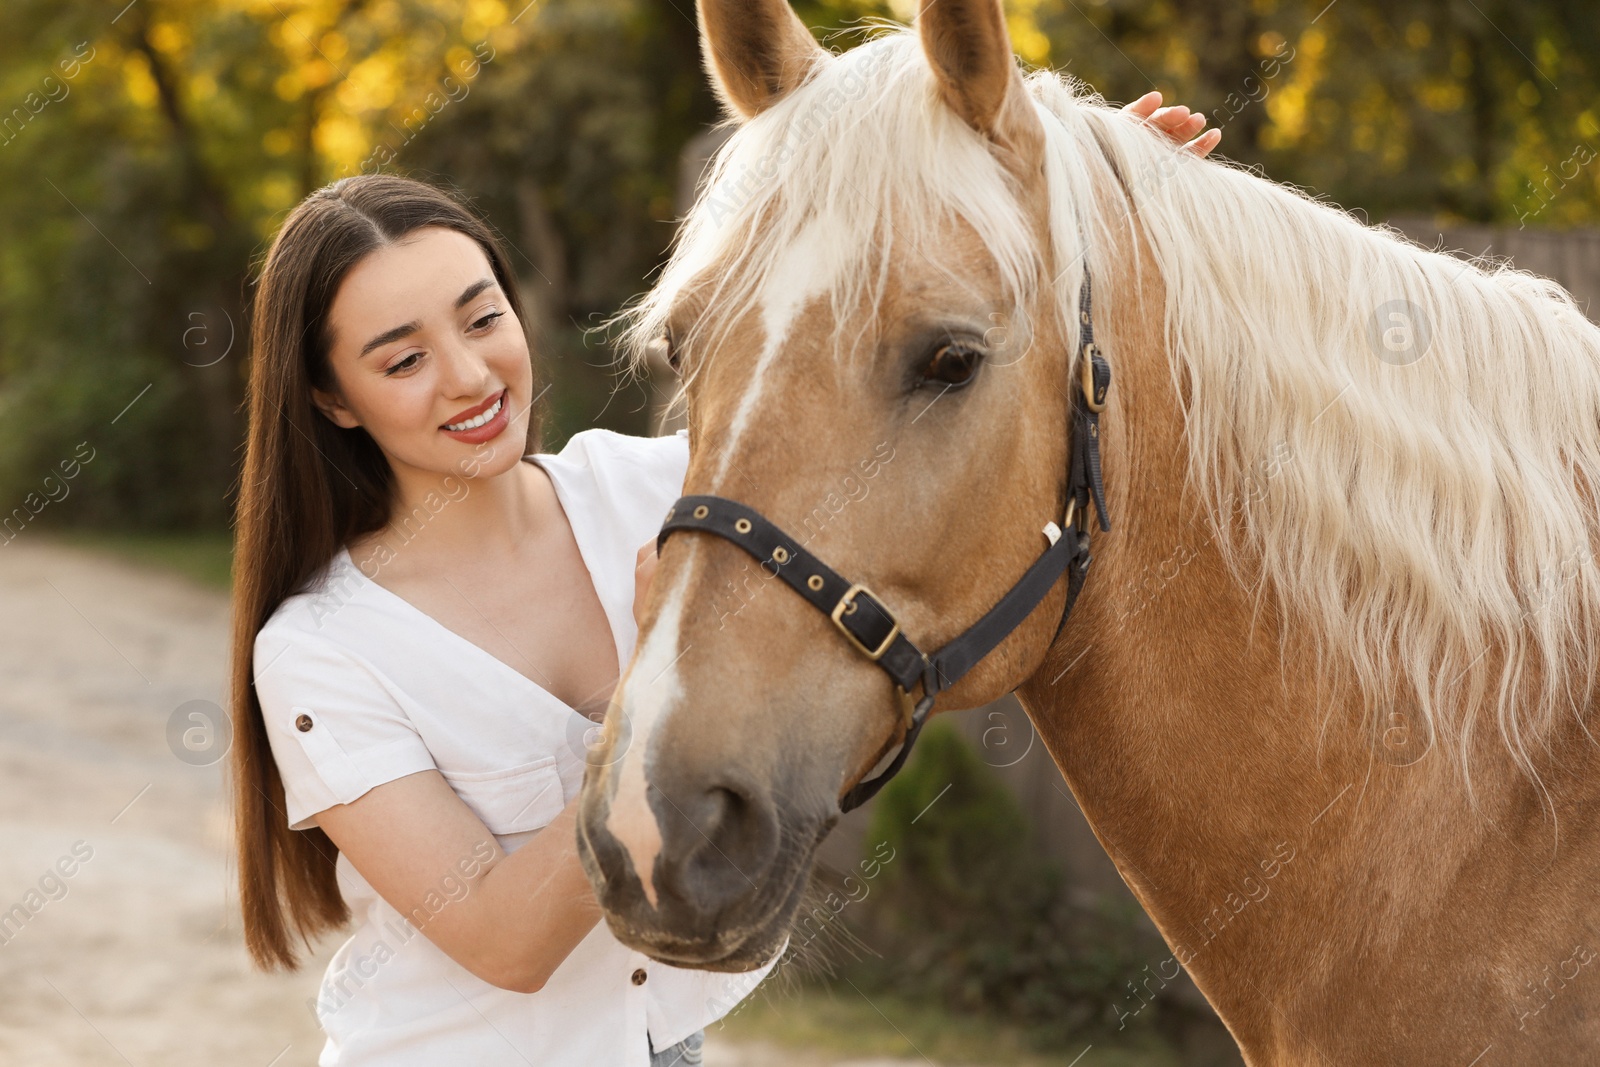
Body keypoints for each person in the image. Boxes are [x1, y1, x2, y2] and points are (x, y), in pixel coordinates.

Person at [227, 93, 1217, 1067]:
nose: (470, 375)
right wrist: (659, 682)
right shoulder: (320, 650)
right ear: (333, 400)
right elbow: (502, 938)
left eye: (481, 317)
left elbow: (896, 382)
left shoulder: (665, 491)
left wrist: (1062, 204)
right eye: (402, 360)